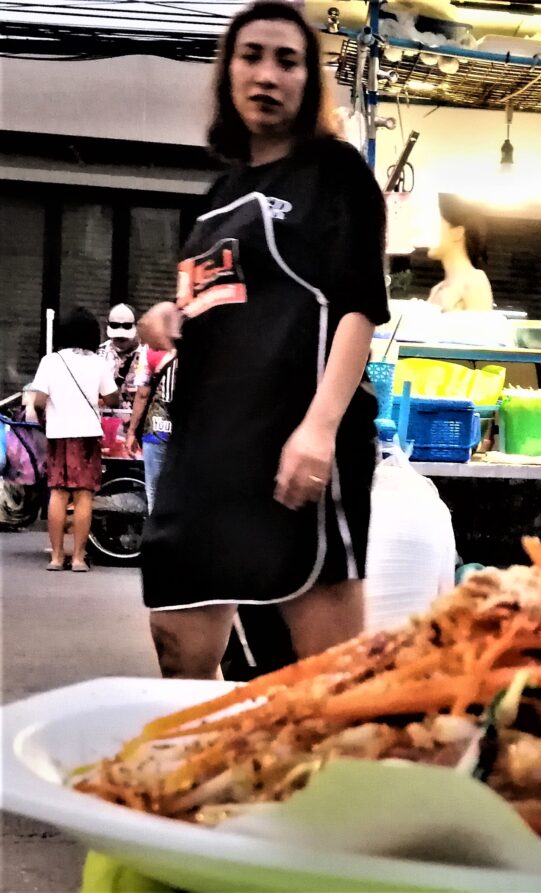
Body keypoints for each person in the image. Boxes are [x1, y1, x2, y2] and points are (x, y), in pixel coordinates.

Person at [137, 0, 389, 679]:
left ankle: (329, 778)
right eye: (252, 56)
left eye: (288, 60)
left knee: (327, 669)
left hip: (295, 436)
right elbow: (223, 299)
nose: (268, 74)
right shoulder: (218, 194)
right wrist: (170, 317)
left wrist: (320, 429)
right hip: (206, 447)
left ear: (309, 80)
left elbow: (358, 306)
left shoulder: (336, 174)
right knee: (177, 640)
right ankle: (211, 772)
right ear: (228, 73)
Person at [27, 308, 119, 572]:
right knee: (83, 496)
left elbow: (40, 400)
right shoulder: (98, 363)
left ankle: (56, 558)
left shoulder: (51, 361)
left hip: (58, 434)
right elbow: (112, 398)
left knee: (57, 493)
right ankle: (78, 558)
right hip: (88, 435)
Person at [125, 347, 177, 513]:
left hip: (156, 429)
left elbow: (142, 395)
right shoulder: (206, 347)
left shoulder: (150, 352)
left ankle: (156, 533)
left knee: (154, 490)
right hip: (189, 432)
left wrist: (132, 431)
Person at [427, 194, 493, 312]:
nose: (428, 232)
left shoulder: (475, 280)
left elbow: (481, 329)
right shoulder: (436, 289)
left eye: (435, 224)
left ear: (457, 232)